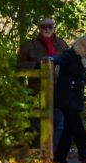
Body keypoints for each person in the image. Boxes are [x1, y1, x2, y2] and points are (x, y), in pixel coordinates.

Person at [17, 17, 70, 148]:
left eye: (50, 27)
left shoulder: (62, 45)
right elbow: (19, 66)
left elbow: (69, 63)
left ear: (54, 27)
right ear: (39, 29)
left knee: (58, 122)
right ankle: (38, 152)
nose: (47, 29)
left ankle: (55, 152)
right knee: (36, 122)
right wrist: (36, 64)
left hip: (59, 90)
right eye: (44, 27)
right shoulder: (30, 46)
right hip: (37, 90)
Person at [52, 34, 86, 163]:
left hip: (74, 98)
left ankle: (60, 158)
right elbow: (59, 60)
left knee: (69, 129)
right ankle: (85, 155)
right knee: (77, 126)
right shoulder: (70, 55)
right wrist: (49, 59)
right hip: (66, 97)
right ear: (82, 46)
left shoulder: (82, 59)